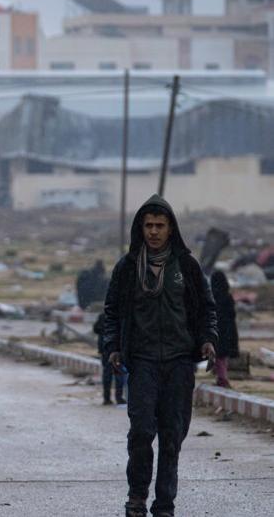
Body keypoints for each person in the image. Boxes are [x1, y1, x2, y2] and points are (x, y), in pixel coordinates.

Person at [103, 194, 218, 517]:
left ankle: (164, 504)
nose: (153, 231)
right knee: (141, 432)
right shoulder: (127, 268)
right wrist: (112, 346)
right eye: (148, 225)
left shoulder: (188, 267)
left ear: (171, 229)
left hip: (180, 362)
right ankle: (137, 497)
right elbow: (112, 312)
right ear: (141, 228)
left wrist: (209, 340)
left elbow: (208, 310)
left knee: (172, 435)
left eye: (160, 226)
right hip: (142, 363)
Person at [210, 270, 239, 388]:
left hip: (217, 331)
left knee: (218, 356)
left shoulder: (212, 297)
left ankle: (222, 379)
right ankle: (221, 377)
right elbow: (232, 314)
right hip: (228, 331)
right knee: (222, 357)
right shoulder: (228, 297)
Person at [96, 312, 127, 405]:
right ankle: (118, 397)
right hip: (116, 350)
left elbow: (96, 329)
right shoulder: (121, 316)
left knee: (108, 374)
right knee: (118, 373)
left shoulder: (103, 317)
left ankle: (107, 398)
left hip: (107, 349)